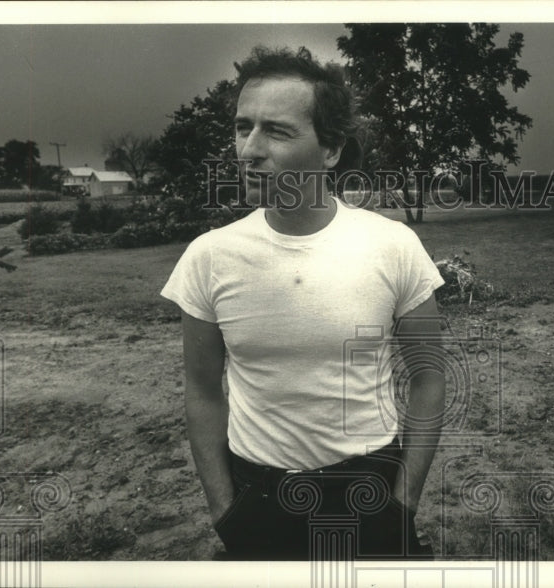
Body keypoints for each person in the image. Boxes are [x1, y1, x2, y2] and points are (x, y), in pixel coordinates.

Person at [160, 46, 446, 560]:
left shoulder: (393, 246)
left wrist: (403, 505)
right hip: (257, 499)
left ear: (331, 149)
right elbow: (202, 391)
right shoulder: (210, 256)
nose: (248, 150)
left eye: (276, 130)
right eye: (242, 126)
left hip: (370, 490)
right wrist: (225, 509)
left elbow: (428, 379)